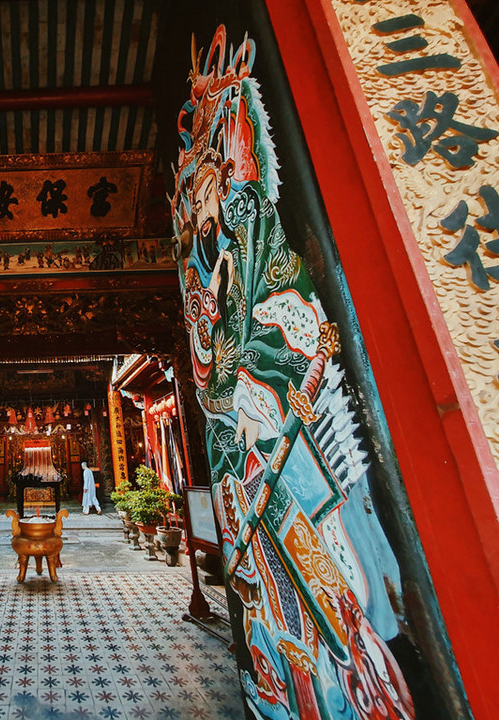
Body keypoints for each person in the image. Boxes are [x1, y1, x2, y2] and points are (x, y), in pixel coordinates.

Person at [170, 26, 414, 720]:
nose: (201, 205)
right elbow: (214, 377)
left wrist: (229, 104)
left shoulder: (250, 252)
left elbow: (253, 193)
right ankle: (294, 683)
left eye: (206, 186)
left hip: (280, 439)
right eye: (194, 197)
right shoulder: (212, 277)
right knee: (270, 597)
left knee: (324, 588)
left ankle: (352, 678)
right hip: (244, 449)